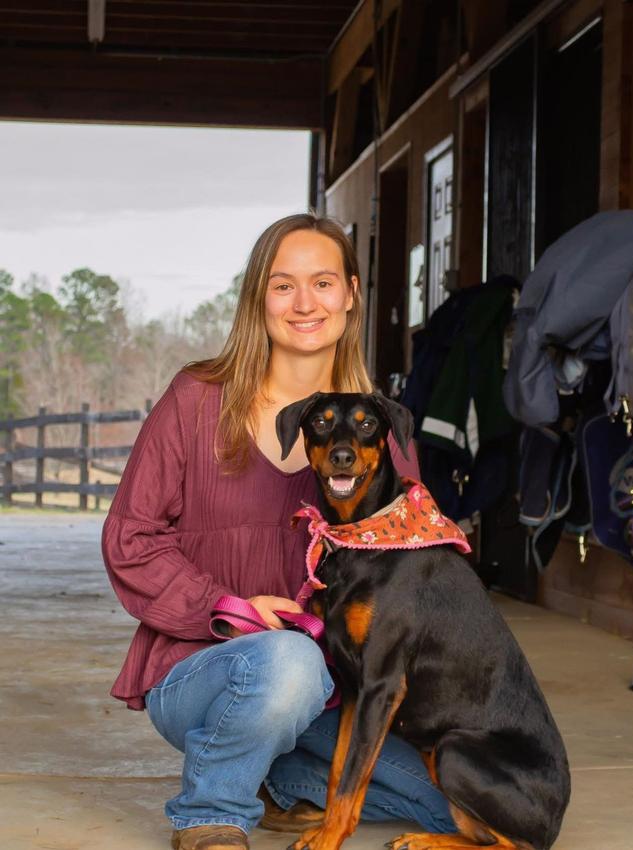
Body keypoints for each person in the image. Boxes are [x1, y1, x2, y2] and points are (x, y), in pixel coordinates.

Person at [102, 213, 455, 850]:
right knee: (287, 661)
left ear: (350, 293)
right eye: (282, 284)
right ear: (257, 298)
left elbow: (411, 572)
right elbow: (130, 539)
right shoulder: (196, 400)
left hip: (329, 692)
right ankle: (212, 812)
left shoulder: (375, 429)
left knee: (452, 795)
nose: (304, 303)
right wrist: (225, 607)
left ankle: (279, 777)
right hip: (198, 672)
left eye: (322, 282)